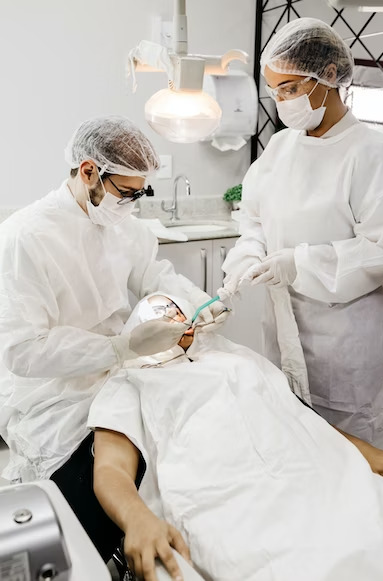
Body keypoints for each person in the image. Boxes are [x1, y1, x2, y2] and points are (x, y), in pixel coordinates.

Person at [0, 115, 228, 562]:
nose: (133, 204)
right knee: (101, 491)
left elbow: (154, 276)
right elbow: (22, 350)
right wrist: (118, 347)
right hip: (54, 393)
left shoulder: (127, 227)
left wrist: (203, 303)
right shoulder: (26, 237)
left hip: (123, 374)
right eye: (127, 192)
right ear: (88, 172)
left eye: (141, 192)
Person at [89, 293, 383, 581]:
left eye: (178, 310)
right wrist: (136, 518)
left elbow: (298, 417)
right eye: (162, 313)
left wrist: (368, 452)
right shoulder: (130, 382)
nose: (177, 317)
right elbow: (110, 468)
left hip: (306, 473)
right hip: (224, 492)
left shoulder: (230, 358)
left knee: (367, 526)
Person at [221, 17, 383, 447]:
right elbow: (255, 217)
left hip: (346, 345)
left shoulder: (371, 154)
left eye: (290, 89)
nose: (281, 102)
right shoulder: (281, 146)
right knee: (296, 444)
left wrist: (299, 263)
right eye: (275, 91)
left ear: (329, 76)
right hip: (283, 330)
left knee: (354, 458)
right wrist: (248, 255)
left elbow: (381, 248)